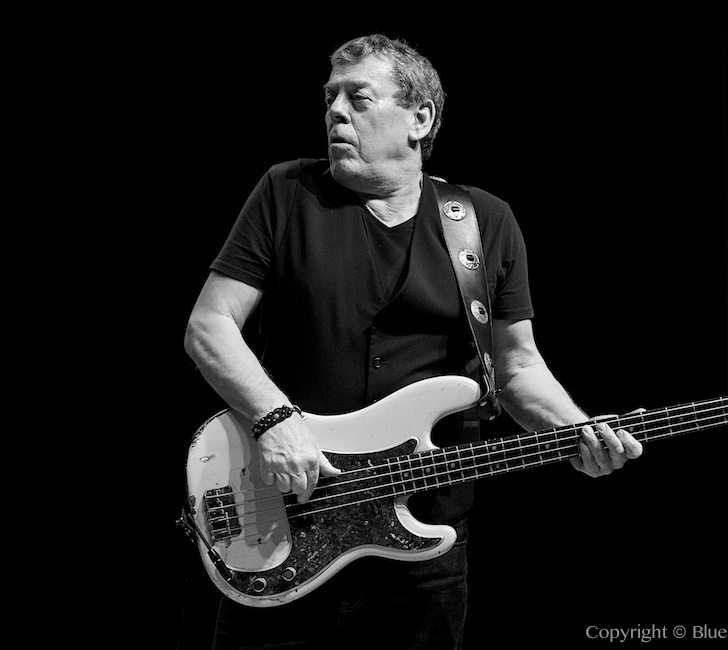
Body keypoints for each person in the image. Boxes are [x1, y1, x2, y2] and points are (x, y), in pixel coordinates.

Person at [184, 33, 643, 650]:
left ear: (420, 118)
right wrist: (275, 419)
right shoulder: (287, 192)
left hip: (422, 544)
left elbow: (516, 368)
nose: (335, 112)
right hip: (288, 522)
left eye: (359, 97)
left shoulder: (482, 222)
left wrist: (577, 432)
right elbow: (209, 326)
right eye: (329, 98)